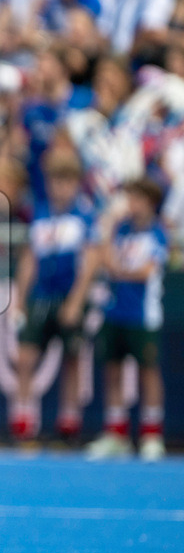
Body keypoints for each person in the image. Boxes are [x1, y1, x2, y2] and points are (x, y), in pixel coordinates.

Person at [8, 148, 99, 443]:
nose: (59, 187)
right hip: (40, 295)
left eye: (66, 181)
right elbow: (29, 259)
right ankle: (23, 417)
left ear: (75, 183)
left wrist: (76, 301)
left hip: (67, 294)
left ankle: (69, 420)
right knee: (25, 357)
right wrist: (20, 298)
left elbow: (89, 263)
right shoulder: (41, 213)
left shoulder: (84, 215)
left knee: (72, 358)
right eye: (54, 181)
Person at [86, 178, 169, 461]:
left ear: (149, 203)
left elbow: (146, 271)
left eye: (136, 199)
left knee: (148, 371)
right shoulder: (120, 230)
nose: (131, 205)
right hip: (114, 311)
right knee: (113, 371)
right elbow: (105, 260)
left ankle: (151, 433)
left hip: (143, 316)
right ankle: (116, 432)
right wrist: (109, 226)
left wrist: (119, 270)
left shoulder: (157, 234)